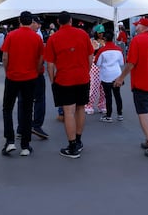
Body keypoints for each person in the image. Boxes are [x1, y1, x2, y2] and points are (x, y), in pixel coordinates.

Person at [114, 17, 148, 159]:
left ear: (143, 26)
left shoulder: (137, 41)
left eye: (137, 26)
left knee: (143, 113)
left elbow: (131, 63)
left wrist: (120, 78)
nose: (135, 28)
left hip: (141, 83)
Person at [45, 11, 94, 159]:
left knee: (68, 111)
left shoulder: (54, 38)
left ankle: (72, 146)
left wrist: (53, 80)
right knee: (80, 108)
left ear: (59, 22)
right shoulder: (83, 34)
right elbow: (90, 56)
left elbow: (50, 65)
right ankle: (78, 140)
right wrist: (86, 70)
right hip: (82, 77)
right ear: (71, 21)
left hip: (64, 79)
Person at [1, 11, 44, 157]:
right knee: (27, 110)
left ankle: (10, 141)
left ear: (20, 20)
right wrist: (36, 71)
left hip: (13, 76)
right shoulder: (36, 38)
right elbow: (40, 58)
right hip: (30, 77)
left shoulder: (11, 35)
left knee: (7, 108)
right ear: (31, 21)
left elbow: (5, 57)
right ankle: (25, 145)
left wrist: (7, 72)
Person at [95, 31, 124, 122]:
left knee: (108, 96)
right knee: (117, 95)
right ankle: (120, 114)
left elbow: (97, 63)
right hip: (117, 74)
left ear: (105, 39)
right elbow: (122, 63)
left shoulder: (102, 50)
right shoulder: (118, 49)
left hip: (106, 75)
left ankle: (109, 116)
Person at [85, 24, 106, 115]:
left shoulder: (105, 40)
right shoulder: (91, 41)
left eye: (102, 32)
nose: (101, 34)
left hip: (104, 65)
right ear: (96, 33)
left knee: (103, 87)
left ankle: (102, 105)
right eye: (99, 32)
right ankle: (89, 105)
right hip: (95, 64)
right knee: (94, 86)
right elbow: (91, 52)